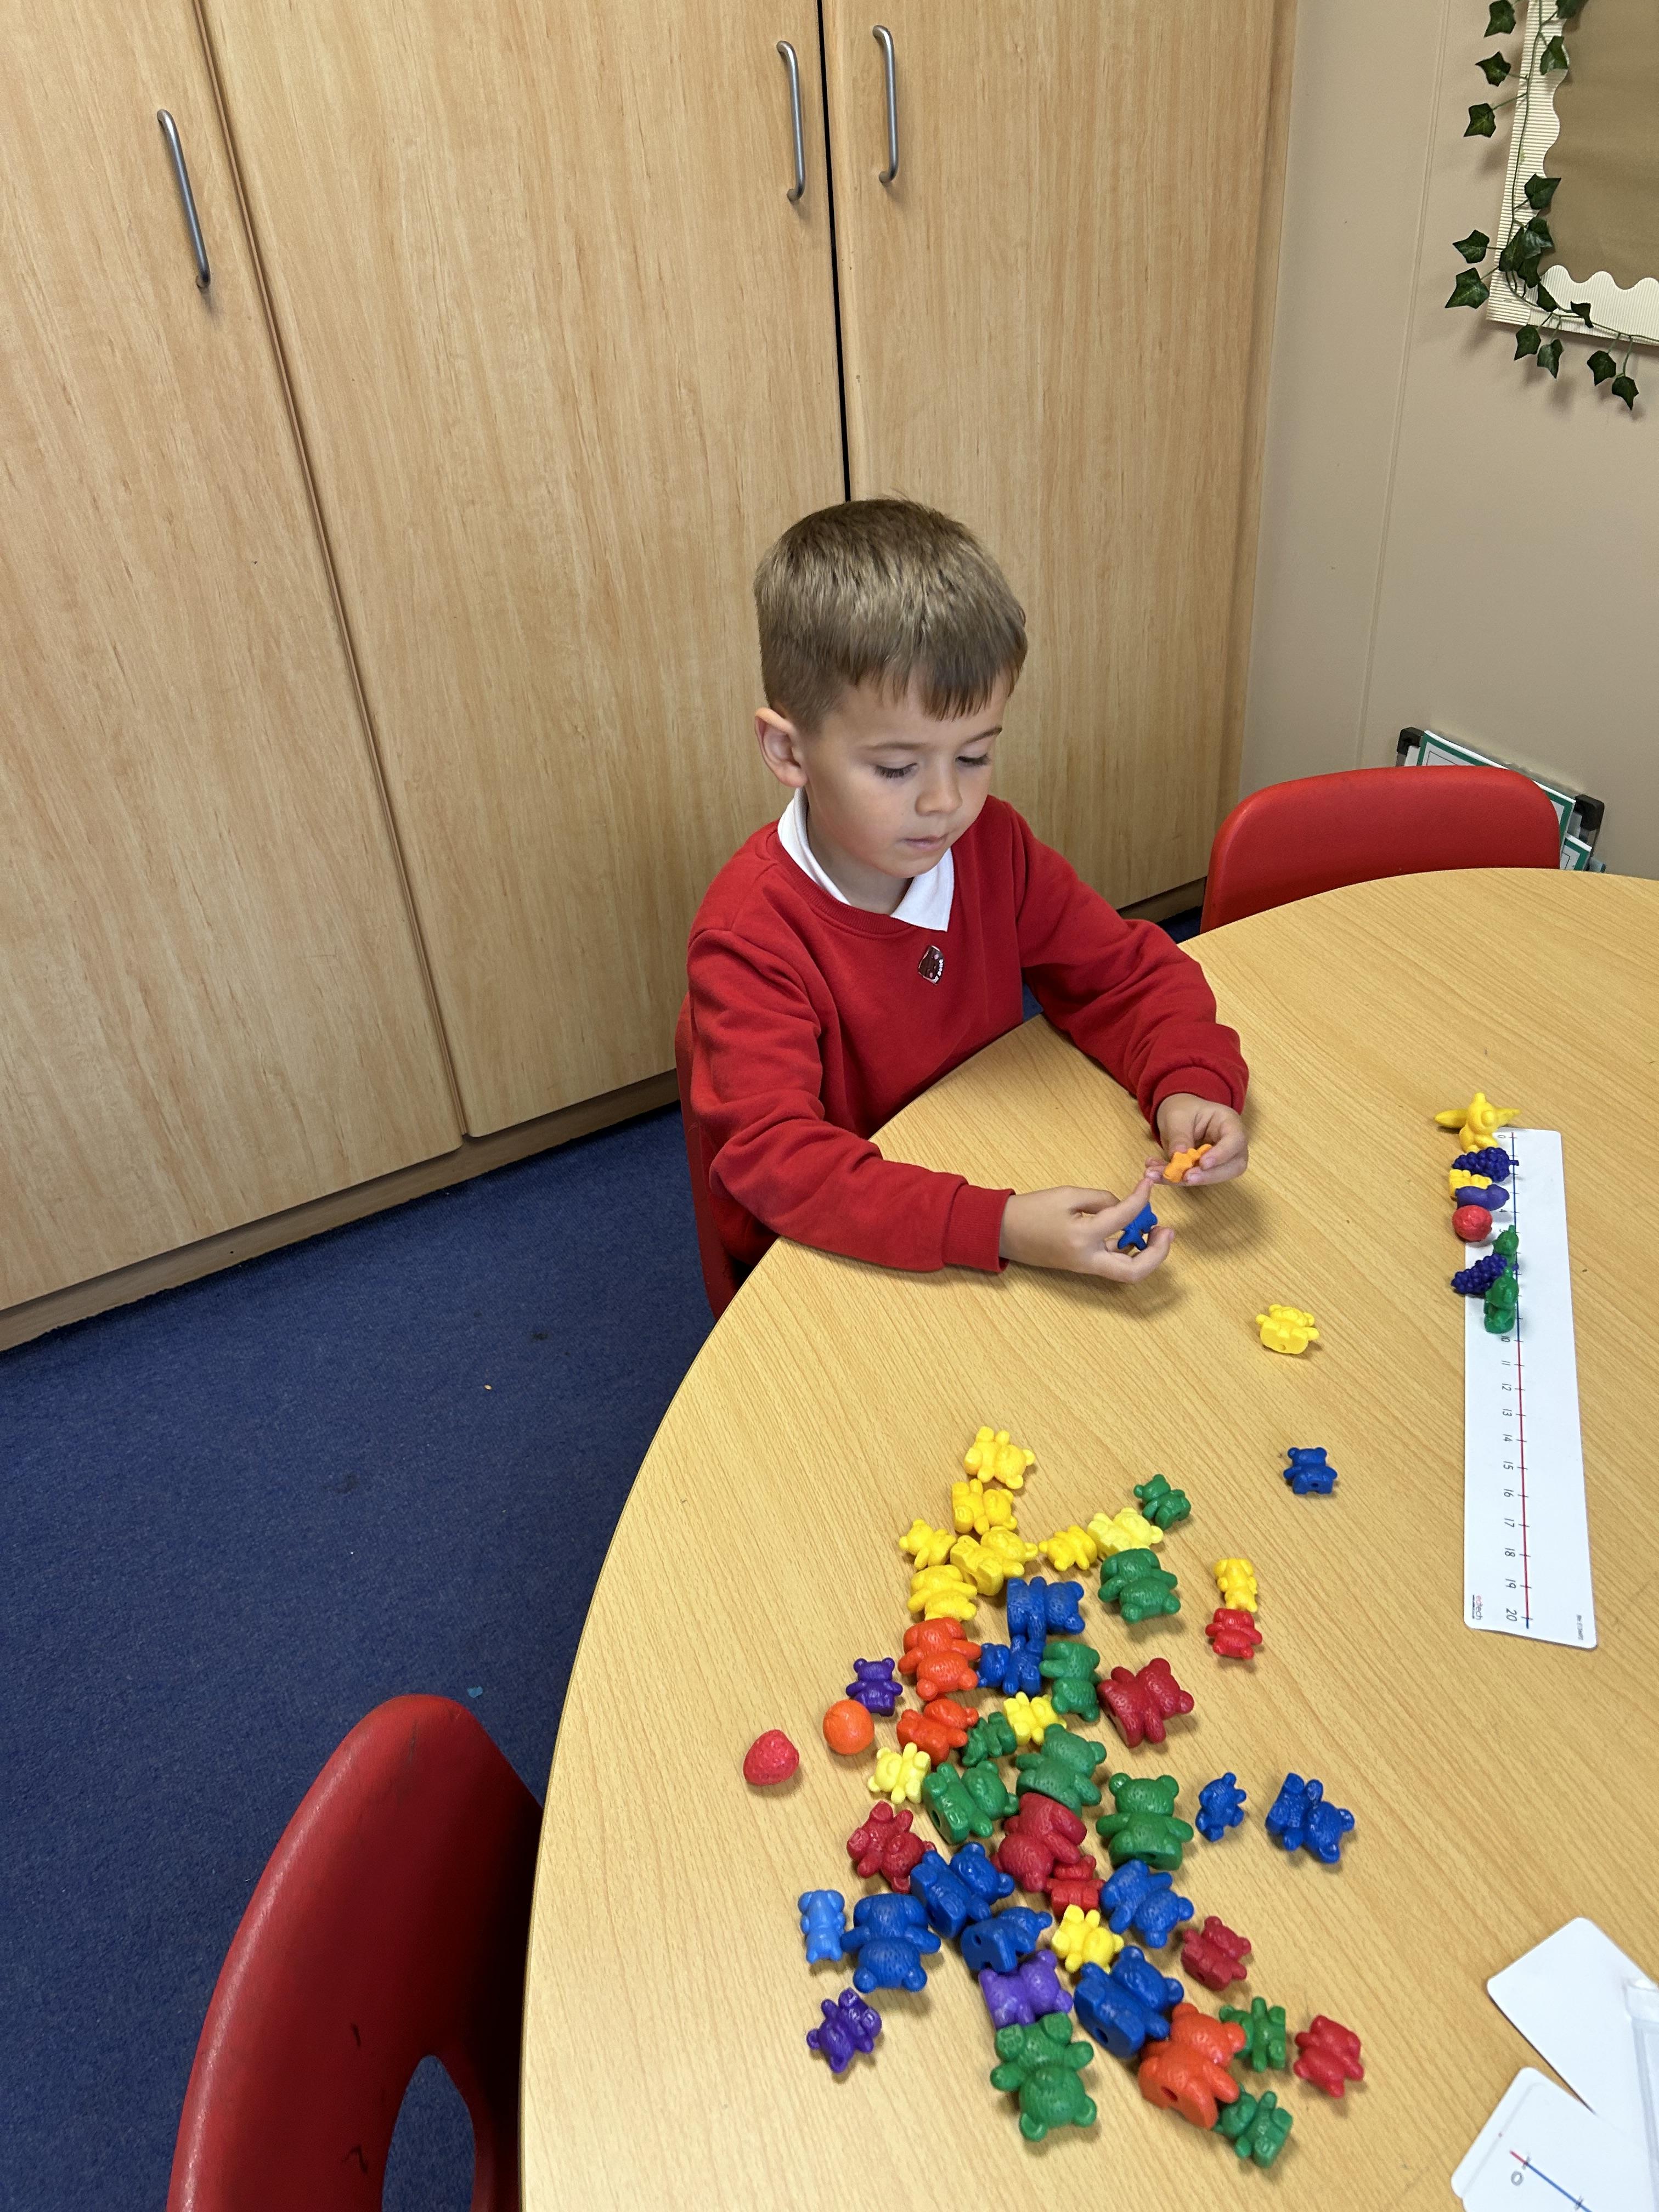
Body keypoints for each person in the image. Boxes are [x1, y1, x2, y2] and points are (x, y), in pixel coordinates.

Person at [685, 498, 1248, 1283]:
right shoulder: (750, 937)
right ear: (789, 751)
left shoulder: (991, 846)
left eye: (975, 756)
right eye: (896, 768)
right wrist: (1000, 1226)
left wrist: (1188, 1083)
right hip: (830, 1256)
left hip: (975, 1176)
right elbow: (778, 1164)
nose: (946, 801)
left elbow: (1122, 976)